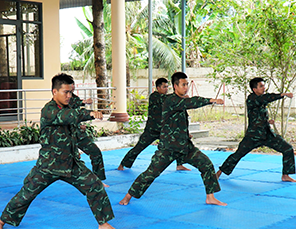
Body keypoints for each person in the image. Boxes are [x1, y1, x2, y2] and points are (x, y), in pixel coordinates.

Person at [0, 73, 120, 229]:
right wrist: (89, 114)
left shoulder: (69, 103)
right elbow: (68, 116)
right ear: (54, 92)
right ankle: (1, 221)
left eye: (71, 92)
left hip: (70, 164)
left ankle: (103, 223)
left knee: (94, 185)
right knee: (27, 193)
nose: (69, 96)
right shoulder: (49, 110)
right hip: (48, 165)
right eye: (65, 92)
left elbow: (72, 119)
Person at [119, 72, 226, 206]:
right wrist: (210, 100)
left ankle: (210, 197)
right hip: (168, 148)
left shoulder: (180, 101)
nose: (186, 87)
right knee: (151, 174)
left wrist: (186, 134)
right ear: (175, 86)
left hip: (185, 147)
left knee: (206, 165)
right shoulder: (170, 100)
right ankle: (128, 196)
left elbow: (180, 120)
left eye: (187, 84)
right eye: (183, 85)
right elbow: (191, 102)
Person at [216, 77, 296, 182]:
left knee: (288, 148)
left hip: (266, 134)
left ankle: (286, 175)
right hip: (253, 136)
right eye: (261, 86)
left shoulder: (260, 100)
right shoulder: (252, 99)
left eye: (263, 85)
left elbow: (257, 116)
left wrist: (267, 122)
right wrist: (283, 94)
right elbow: (266, 98)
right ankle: (219, 173)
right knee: (238, 154)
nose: (264, 88)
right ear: (254, 89)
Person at [117, 77, 190, 172]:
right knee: (139, 147)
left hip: (164, 129)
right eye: (164, 87)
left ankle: (179, 164)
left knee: (177, 143)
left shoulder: (170, 100)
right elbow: (167, 99)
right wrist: (182, 97)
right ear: (158, 88)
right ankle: (123, 164)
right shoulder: (154, 96)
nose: (166, 89)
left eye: (167, 87)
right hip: (152, 129)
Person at [69, 93, 109, 187]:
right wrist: (85, 103)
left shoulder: (73, 97)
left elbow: (77, 113)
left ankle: (98, 180)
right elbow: (68, 115)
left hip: (78, 134)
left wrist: (78, 124)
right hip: (65, 137)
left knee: (96, 153)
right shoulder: (55, 106)